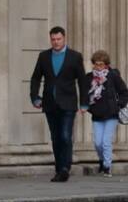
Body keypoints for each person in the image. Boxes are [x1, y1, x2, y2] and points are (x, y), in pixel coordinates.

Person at [30, 26, 87, 182]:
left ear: (64, 38)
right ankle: (59, 168)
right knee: (55, 137)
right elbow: (35, 78)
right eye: (53, 39)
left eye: (58, 39)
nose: (56, 42)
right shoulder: (43, 56)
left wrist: (84, 103)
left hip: (68, 102)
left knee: (65, 136)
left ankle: (64, 168)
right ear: (50, 39)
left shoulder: (75, 57)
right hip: (49, 103)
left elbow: (82, 81)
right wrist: (35, 97)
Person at [82, 50, 128, 178]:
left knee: (106, 142)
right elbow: (85, 95)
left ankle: (107, 167)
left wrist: (119, 105)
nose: (98, 67)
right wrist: (87, 107)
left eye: (101, 64)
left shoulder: (113, 76)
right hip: (97, 114)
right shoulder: (89, 77)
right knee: (97, 143)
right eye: (96, 64)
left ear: (106, 65)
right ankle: (102, 161)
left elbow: (124, 91)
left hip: (111, 114)